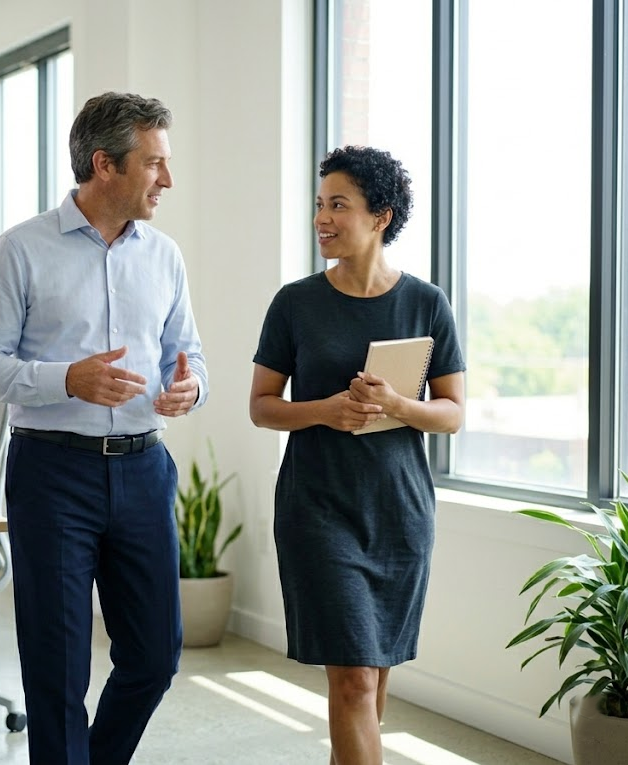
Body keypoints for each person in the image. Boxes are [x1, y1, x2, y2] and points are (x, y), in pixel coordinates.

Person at [0, 91, 207, 765]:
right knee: (57, 670)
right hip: (52, 473)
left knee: (155, 657)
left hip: (142, 468)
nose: (167, 180)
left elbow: (189, 354)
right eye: (155, 163)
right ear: (106, 165)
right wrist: (65, 379)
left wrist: (190, 386)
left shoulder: (165, 256)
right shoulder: (21, 249)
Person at [249, 145, 466, 765]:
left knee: (374, 675)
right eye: (319, 204)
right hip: (318, 507)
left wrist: (397, 403)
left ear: (380, 216)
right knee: (353, 680)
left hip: (399, 511)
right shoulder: (294, 303)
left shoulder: (428, 302)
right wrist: (324, 408)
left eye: (337, 205)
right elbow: (262, 406)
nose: (322, 217)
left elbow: (452, 413)